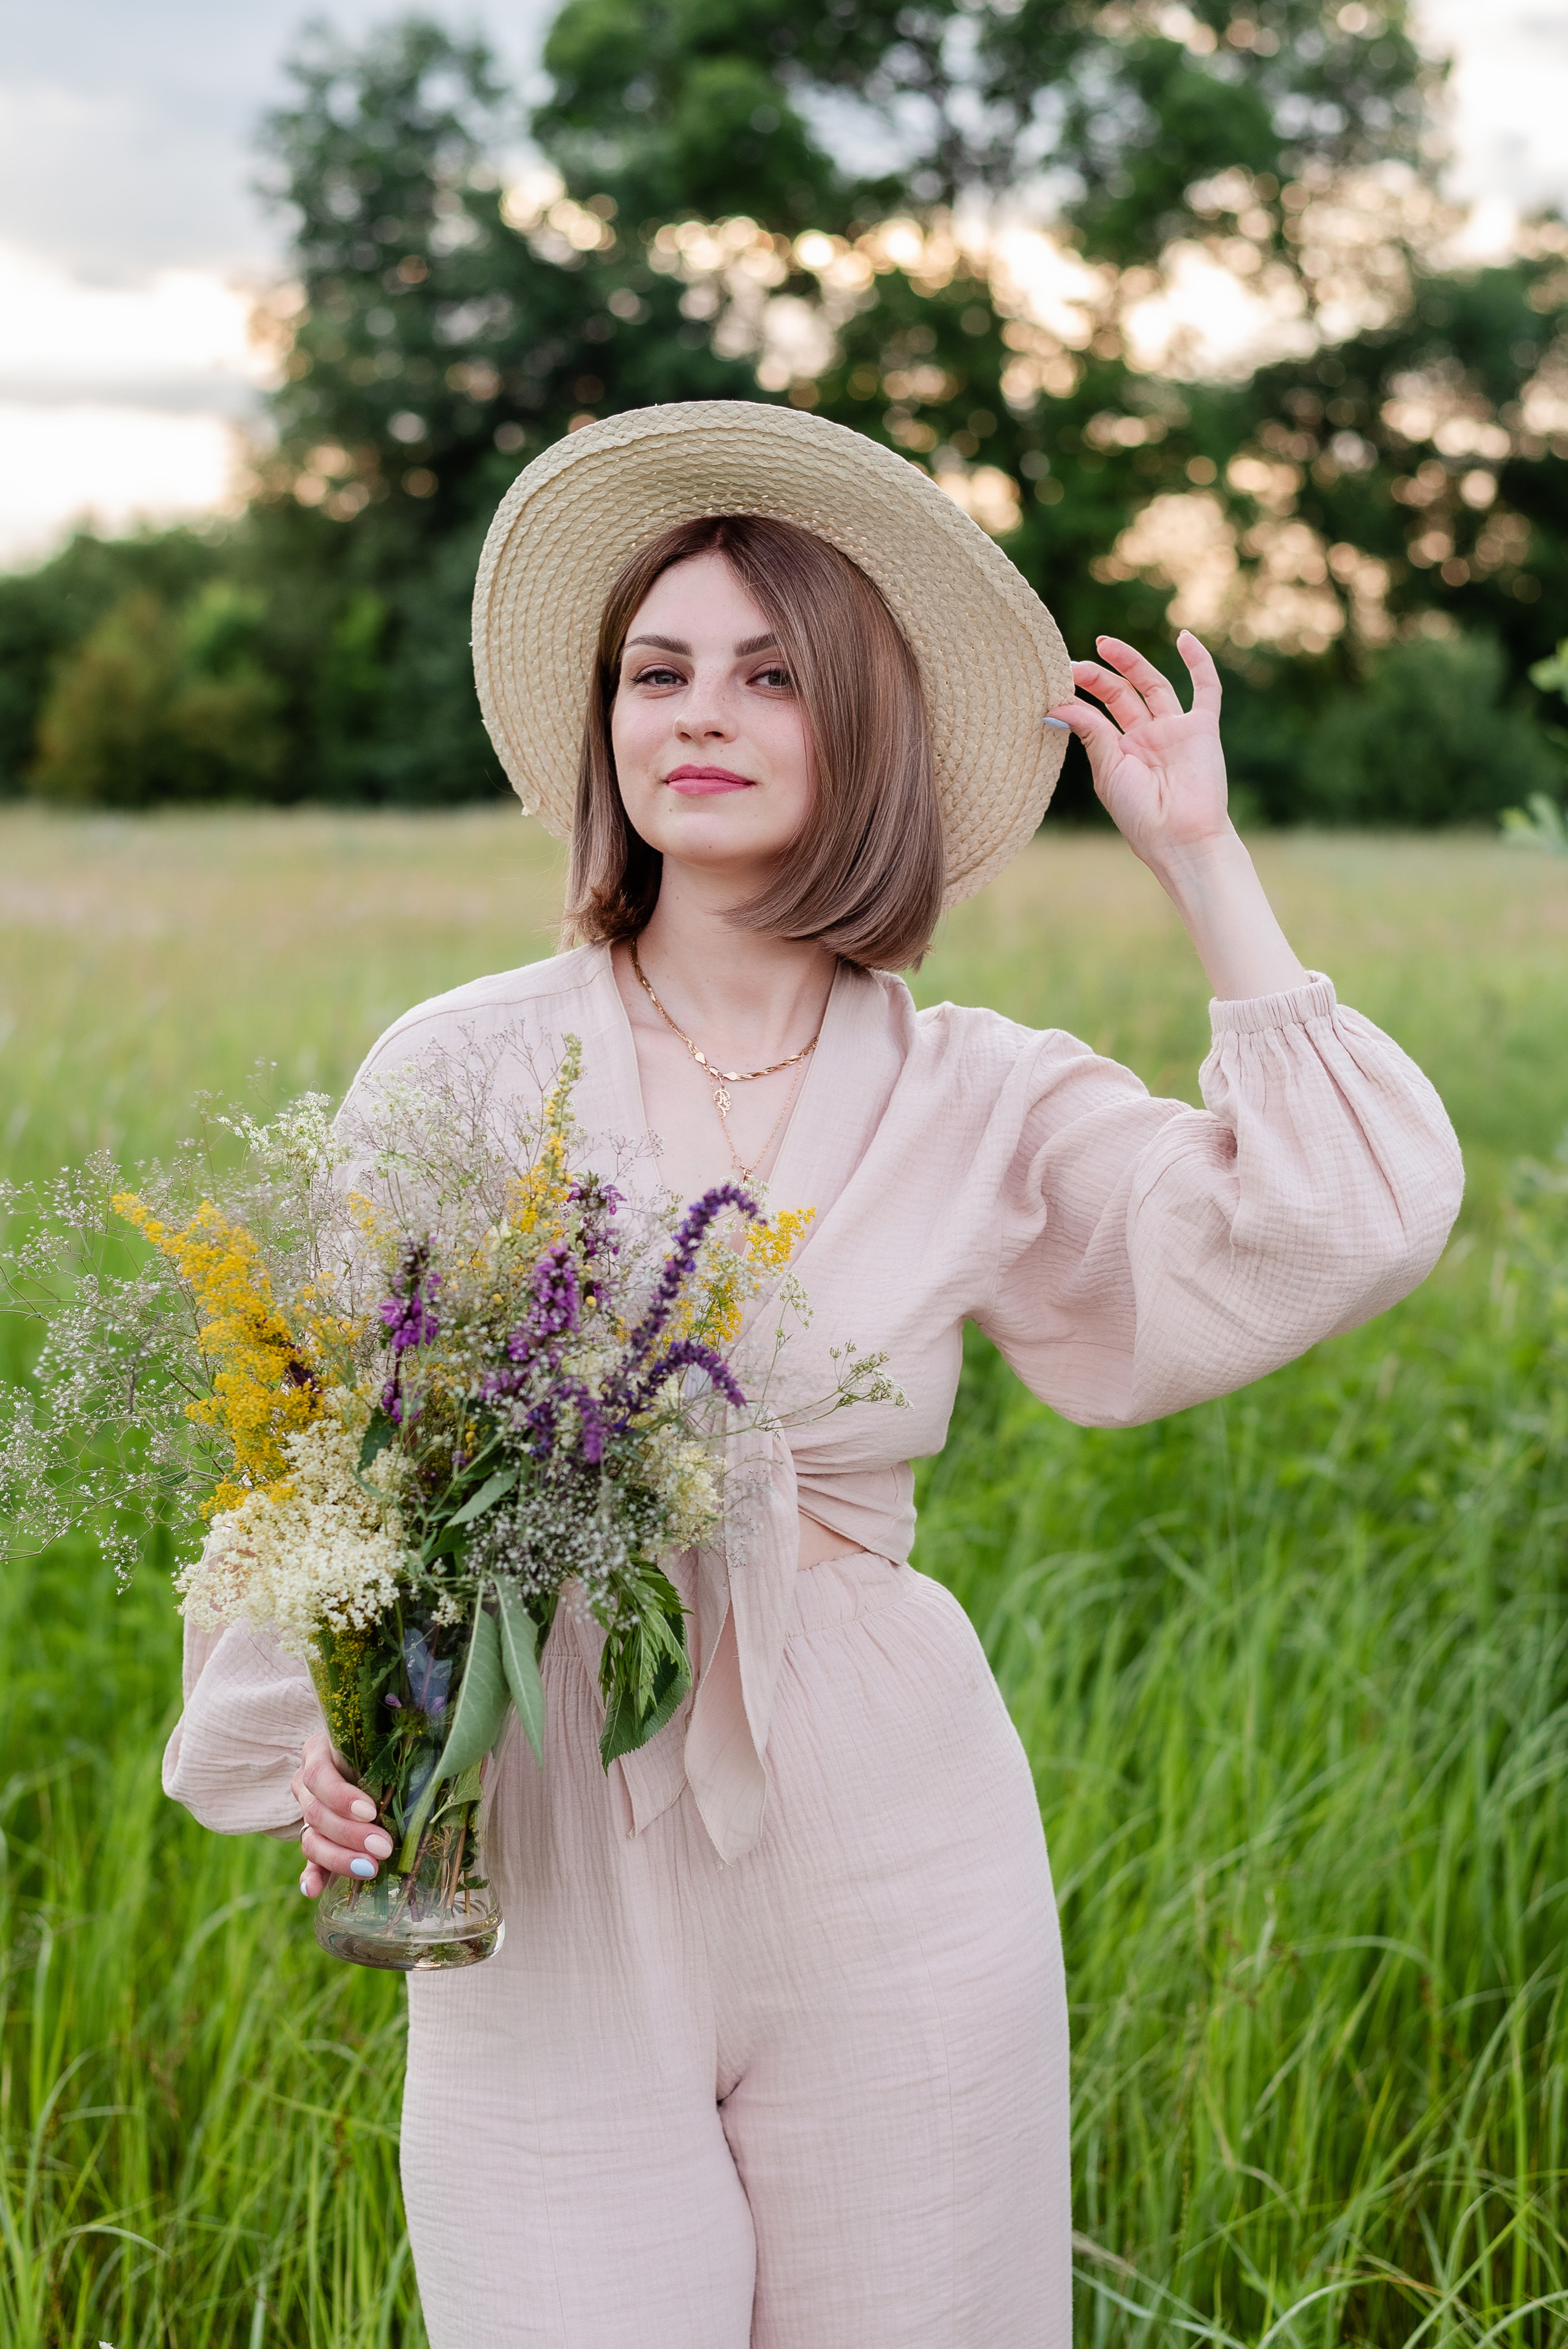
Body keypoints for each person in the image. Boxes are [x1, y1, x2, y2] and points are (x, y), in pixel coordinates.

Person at [164, 402, 1463, 2349]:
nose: (700, 710)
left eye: (771, 675)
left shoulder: (986, 1091)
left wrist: (1202, 861)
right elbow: (322, 1463)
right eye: (656, 671)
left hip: (885, 1810)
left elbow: (1338, 1217)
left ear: (861, 729)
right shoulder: (460, 1067)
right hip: (544, 1794)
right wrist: (323, 1743)